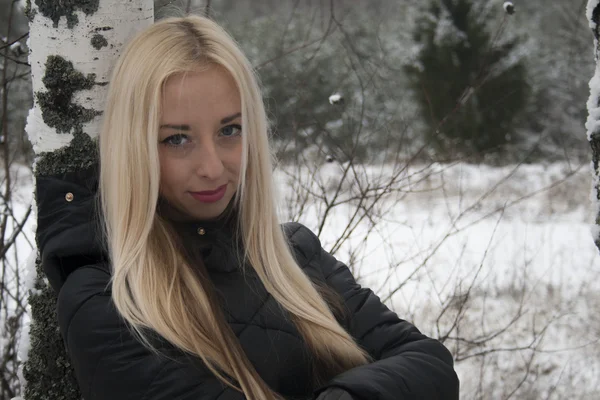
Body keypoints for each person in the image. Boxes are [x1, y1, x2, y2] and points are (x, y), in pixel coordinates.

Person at [36, 15, 459, 400]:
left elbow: (428, 363)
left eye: (229, 130)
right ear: (135, 147)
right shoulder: (107, 302)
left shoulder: (294, 254)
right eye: (177, 138)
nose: (213, 166)